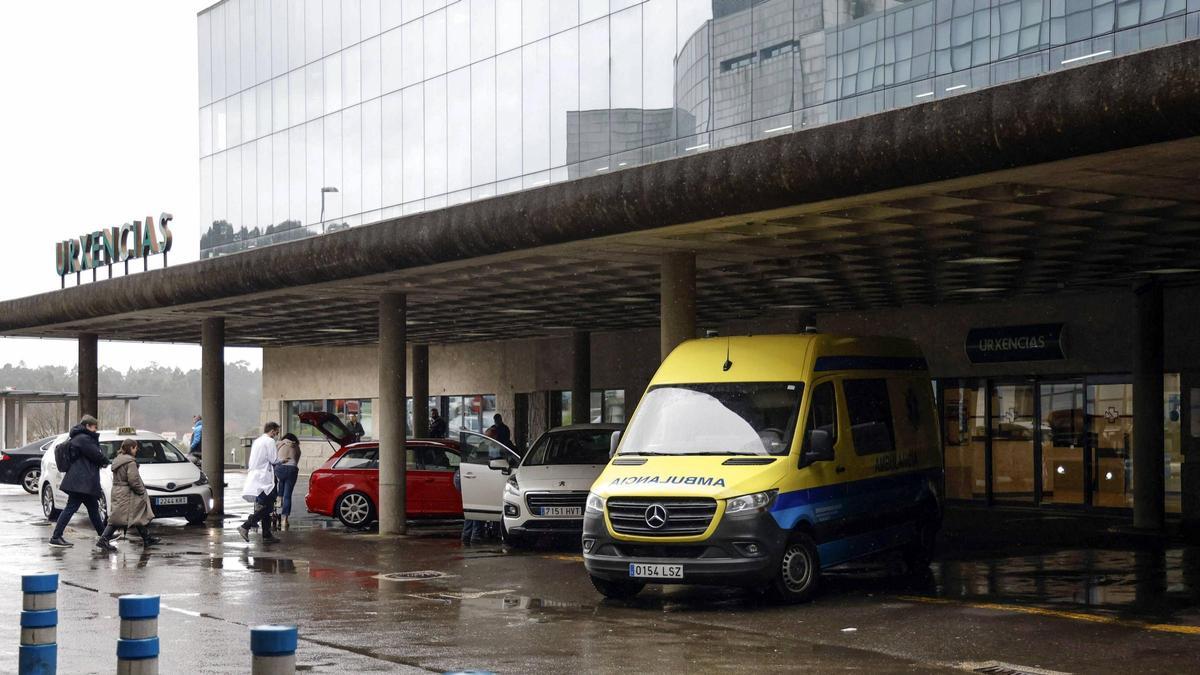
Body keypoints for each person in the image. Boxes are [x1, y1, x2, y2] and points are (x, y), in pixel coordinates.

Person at [49, 415, 109, 548]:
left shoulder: (80, 437)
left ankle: (103, 536)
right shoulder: (84, 439)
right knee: (71, 508)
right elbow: (96, 455)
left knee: (93, 509)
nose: (95, 430)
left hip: (82, 481)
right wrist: (106, 461)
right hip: (81, 481)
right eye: (94, 427)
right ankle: (56, 537)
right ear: (88, 426)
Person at [96, 439, 160, 551]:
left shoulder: (118, 460)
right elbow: (133, 480)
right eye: (135, 448)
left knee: (134, 514)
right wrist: (141, 491)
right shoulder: (130, 462)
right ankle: (103, 540)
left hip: (118, 490)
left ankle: (147, 538)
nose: (136, 450)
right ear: (131, 448)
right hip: (127, 492)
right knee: (118, 518)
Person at [238, 422, 281, 544]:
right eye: (276, 432)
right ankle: (246, 525)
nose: (277, 434)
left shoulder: (257, 441)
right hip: (266, 477)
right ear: (272, 431)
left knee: (264, 505)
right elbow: (273, 459)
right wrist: (283, 460)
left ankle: (266, 534)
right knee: (268, 507)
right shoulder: (270, 441)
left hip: (256, 477)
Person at [275, 432, 302, 530]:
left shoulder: (280, 443)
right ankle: (284, 519)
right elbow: (296, 460)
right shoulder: (297, 447)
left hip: (280, 468)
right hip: (292, 469)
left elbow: (274, 457)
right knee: (288, 495)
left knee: (281, 480)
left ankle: (278, 498)